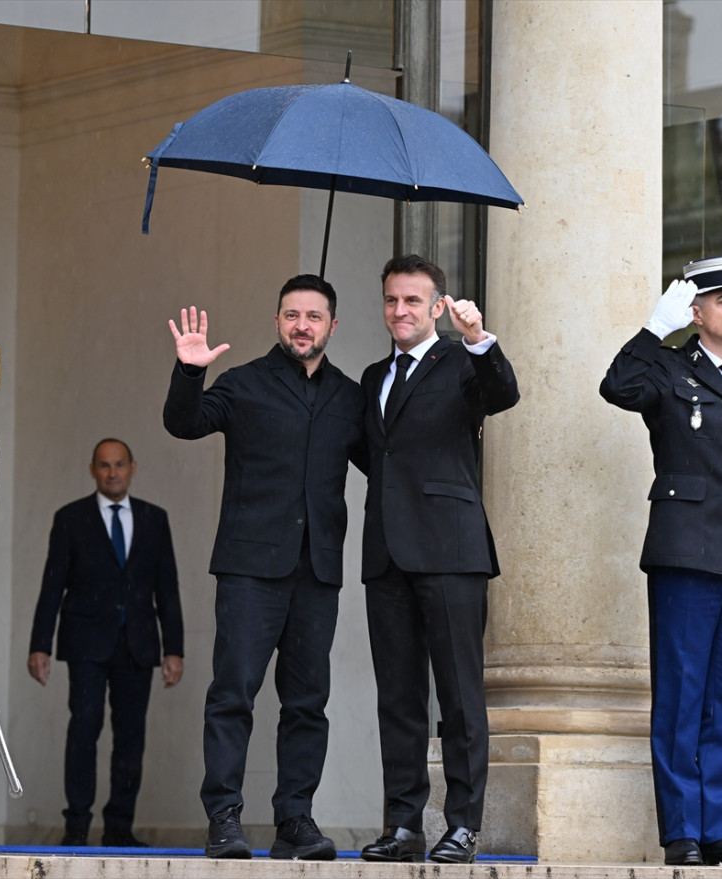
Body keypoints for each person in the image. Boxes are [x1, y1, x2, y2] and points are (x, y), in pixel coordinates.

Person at [599, 254, 722, 867]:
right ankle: (683, 830)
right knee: (682, 697)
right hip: (687, 556)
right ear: (696, 312)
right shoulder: (665, 370)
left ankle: (720, 829)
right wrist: (653, 330)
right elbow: (615, 385)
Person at [163, 274, 366, 861]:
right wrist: (189, 371)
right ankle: (224, 818)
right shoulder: (244, 383)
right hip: (250, 569)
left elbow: (387, 462)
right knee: (233, 694)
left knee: (307, 703)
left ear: (332, 325)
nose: (302, 325)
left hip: (317, 571)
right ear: (277, 321)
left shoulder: (349, 397)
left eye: (314, 316)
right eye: (291, 314)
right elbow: (184, 422)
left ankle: (294, 820)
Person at [358, 254, 519, 865]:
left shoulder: (462, 361)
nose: (400, 311)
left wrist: (479, 339)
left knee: (458, 695)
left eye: (413, 301)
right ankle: (403, 826)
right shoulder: (373, 374)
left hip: (452, 550)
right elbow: (375, 454)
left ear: (437, 307)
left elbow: (504, 393)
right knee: (398, 698)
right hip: (388, 554)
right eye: (392, 300)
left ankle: (463, 825)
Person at [28, 438, 184, 847]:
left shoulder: (155, 519)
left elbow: (167, 589)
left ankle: (119, 829)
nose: (112, 472)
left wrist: (175, 649)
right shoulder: (70, 518)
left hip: (138, 643)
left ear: (133, 467)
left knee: (130, 737)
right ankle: (76, 827)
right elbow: (51, 586)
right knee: (84, 728)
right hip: (86, 644)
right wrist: (39, 644)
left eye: (119, 465)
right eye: (104, 465)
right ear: (92, 469)